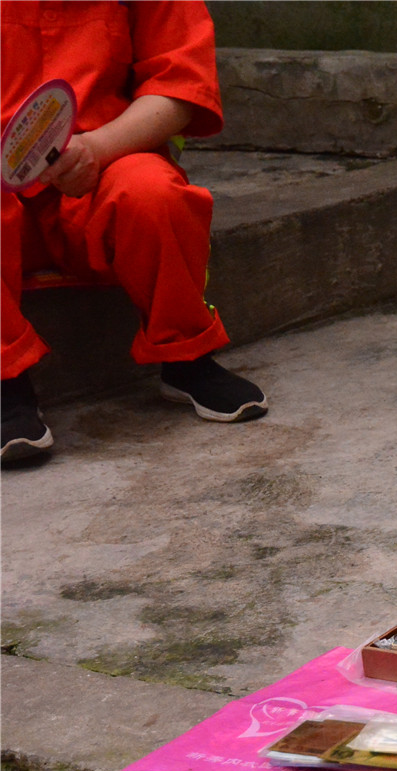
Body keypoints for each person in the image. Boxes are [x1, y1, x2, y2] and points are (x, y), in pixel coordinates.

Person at [1, 0, 267, 465]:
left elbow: (180, 87)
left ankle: (187, 358)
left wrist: (97, 149)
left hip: (103, 165)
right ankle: (6, 383)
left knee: (155, 194)